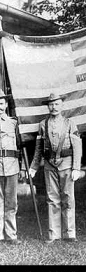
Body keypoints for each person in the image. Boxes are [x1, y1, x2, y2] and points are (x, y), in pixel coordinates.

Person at [29, 92, 82, 243]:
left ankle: (69, 233)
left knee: (68, 198)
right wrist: (33, 167)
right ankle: (54, 234)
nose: (54, 107)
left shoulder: (70, 123)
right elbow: (39, 149)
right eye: (51, 104)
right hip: (49, 165)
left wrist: (76, 167)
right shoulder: (42, 124)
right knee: (52, 199)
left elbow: (77, 146)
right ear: (47, 106)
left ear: (62, 105)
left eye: (57, 104)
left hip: (67, 164)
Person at [0, 90, 23, 245]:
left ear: (6, 104)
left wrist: (21, 167)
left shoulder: (14, 123)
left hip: (12, 166)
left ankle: (11, 234)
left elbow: (20, 146)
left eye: (1, 103)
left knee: (11, 202)